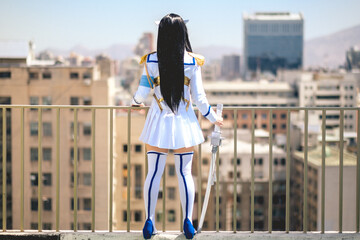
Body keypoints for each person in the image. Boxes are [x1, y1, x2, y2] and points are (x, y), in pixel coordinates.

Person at [131, 13, 223, 239]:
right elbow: (199, 99)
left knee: (153, 173)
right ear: (183, 33)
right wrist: (213, 118)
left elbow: (142, 93)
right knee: (184, 173)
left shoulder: (151, 60)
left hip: (158, 121)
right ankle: (187, 223)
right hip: (184, 122)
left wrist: (135, 103)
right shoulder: (193, 61)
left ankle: (149, 221)